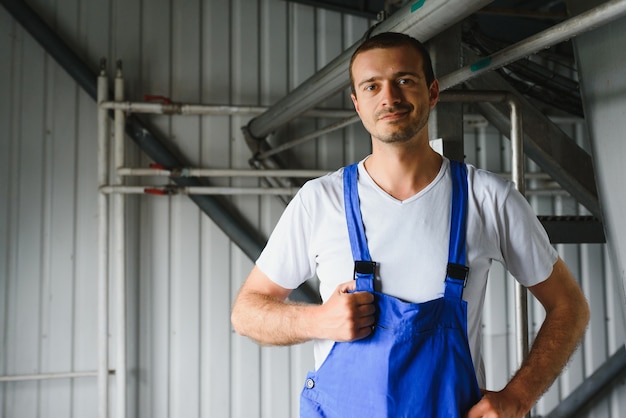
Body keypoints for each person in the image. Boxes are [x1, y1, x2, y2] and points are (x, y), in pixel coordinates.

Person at [231, 32, 589, 417]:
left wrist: (518, 397)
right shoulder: (320, 201)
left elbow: (570, 306)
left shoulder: (488, 198)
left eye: (404, 80)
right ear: (357, 103)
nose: (390, 97)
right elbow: (247, 313)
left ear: (432, 92)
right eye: (372, 86)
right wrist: (318, 320)